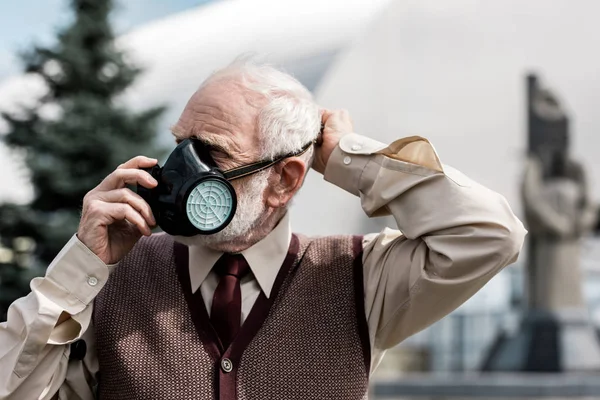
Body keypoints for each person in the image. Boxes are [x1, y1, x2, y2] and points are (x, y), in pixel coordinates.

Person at [0, 59, 526, 400]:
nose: (178, 168)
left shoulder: (361, 276)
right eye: (180, 144)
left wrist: (343, 157)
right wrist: (78, 268)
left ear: (284, 180)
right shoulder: (111, 274)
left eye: (211, 151)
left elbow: (492, 234)